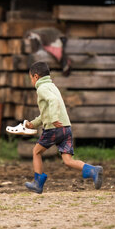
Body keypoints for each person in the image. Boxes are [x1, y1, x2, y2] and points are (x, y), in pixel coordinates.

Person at [24, 61, 103, 194]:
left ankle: (38, 184)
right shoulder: (52, 86)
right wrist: (33, 124)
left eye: (30, 78)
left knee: (36, 152)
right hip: (66, 128)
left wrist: (54, 119)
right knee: (68, 160)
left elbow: (53, 103)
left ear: (36, 76)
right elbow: (46, 113)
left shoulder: (42, 89)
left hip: (54, 129)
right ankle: (92, 170)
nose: (31, 81)